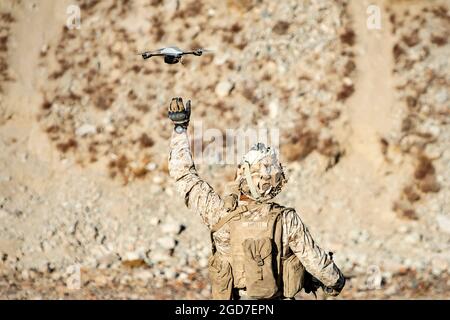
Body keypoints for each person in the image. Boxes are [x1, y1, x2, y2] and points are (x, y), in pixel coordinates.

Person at [167, 97, 345, 300]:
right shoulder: (286, 220)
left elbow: (183, 174)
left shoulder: (218, 212)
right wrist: (336, 283)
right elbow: (318, 264)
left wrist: (180, 129)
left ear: (243, 174)